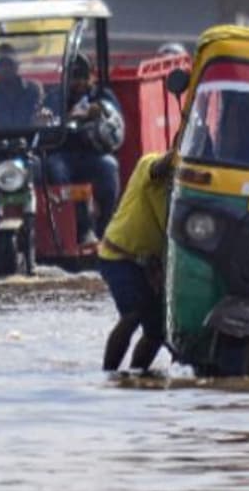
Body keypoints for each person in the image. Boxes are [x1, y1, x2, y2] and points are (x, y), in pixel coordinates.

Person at [99, 153, 173, 372]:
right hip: (119, 257)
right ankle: (109, 374)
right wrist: (180, 152)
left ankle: (137, 375)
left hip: (151, 265)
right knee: (132, 315)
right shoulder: (148, 165)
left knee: (158, 331)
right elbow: (160, 166)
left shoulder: (190, 191)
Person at [44, 53, 124, 242]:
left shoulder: (102, 95)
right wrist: (48, 119)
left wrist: (99, 112)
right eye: (73, 77)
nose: (78, 82)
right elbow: (43, 125)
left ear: (91, 76)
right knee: (54, 168)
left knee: (109, 166)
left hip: (93, 154)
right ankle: (78, 227)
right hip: (62, 153)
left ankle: (104, 227)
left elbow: (115, 126)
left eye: (82, 76)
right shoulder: (55, 97)